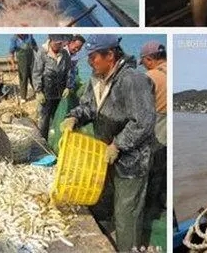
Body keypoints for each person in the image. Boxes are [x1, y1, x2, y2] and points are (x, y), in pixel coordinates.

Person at [61, 35, 156, 252]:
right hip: (103, 155)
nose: (89, 62)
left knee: (127, 211)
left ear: (110, 55)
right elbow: (88, 107)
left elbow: (143, 121)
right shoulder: (97, 78)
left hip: (132, 160)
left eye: (93, 57)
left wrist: (118, 145)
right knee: (104, 200)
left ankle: (127, 248)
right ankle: (106, 237)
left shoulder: (133, 80)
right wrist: (74, 117)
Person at [139, 41, 168, 222]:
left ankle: (149, 210)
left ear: (149, 60)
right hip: (168, 131)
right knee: (162, 169)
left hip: (158, 129)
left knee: (152, 171)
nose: (143, 66)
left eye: (143, 63)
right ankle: (159, 205)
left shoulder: (150, 77)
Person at [32, 35, 71, 141]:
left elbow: (69, 71)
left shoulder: (65, 54)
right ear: (50, 41)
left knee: (57, 119)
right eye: (56, 43)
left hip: (59, 93)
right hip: (46, 92)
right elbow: (37, 73)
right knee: (43, 120)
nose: (59, 45)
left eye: (60, 43)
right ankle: (41, 142)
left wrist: (68, 86)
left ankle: (54, 141)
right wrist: (38, 91)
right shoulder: (42, 53)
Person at [9, 34, 38, 102]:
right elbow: (11, 53)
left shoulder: (29, 36)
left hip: (31, 61)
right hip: (22, 63)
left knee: (34, 77)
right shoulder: (14, 39)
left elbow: (35, 46)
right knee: (23, 79)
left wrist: (40, 56)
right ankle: (23, 97)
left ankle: (37, 93)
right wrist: (13, 64)